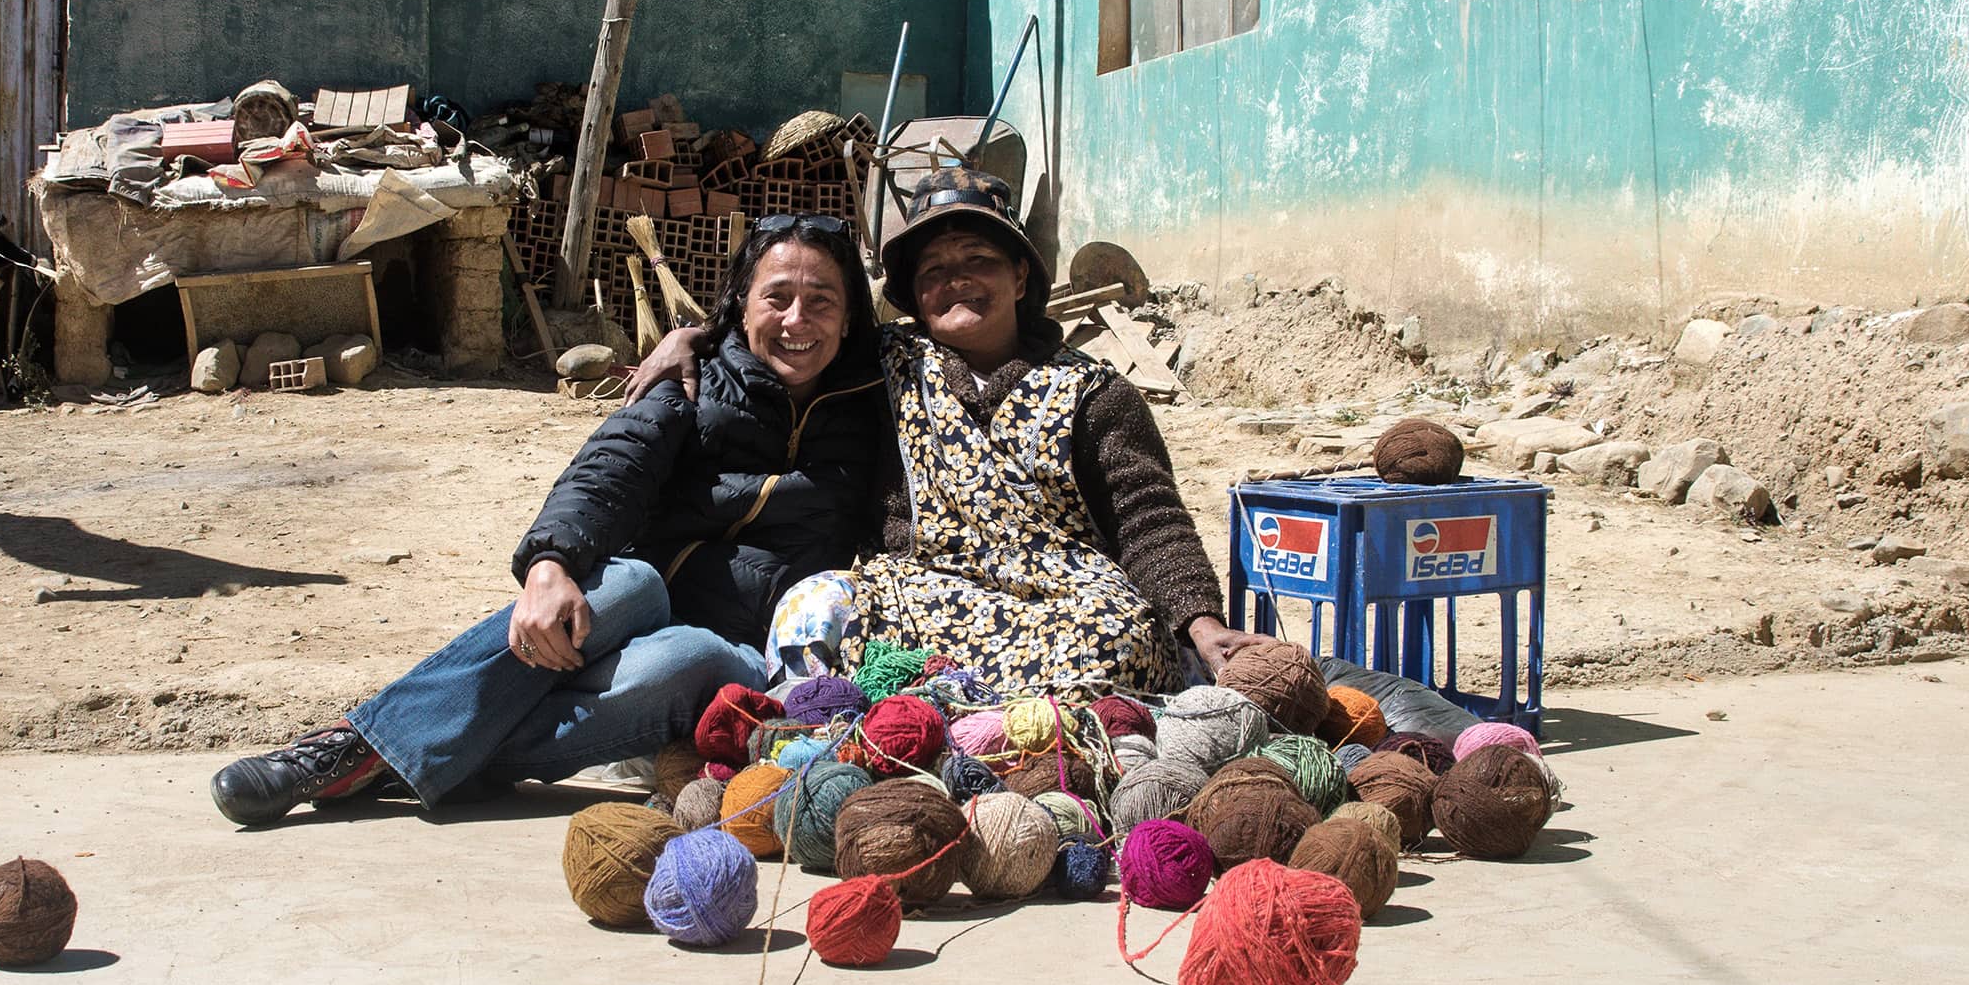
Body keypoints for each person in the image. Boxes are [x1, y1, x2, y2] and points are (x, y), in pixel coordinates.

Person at [207, 216, 886, 825]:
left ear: (851, 316)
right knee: (629, 585)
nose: (798, 320)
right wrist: (550, 564)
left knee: (695, 657)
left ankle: (417, 753)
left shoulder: (880, 407)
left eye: (821, 302)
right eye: (777, 298)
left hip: (741, 644)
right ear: (741, 304)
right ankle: (350, 745)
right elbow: (610, 467)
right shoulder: (692, 379)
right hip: (624, 612)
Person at [634, 168, 1266, 695]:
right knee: (811, 606)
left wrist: (1202, 625)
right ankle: (860, 731)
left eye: (978, 260)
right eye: (933, 269)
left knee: (1123, 637)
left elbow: (1149, 519)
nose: (955, 279)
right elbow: (794, 335)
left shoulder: (1096, 394)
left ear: (1021, 277)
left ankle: (971, 731)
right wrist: (698, 338)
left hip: (1064, 608)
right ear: (912, 292)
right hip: (915, 598)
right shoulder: (882, 364)